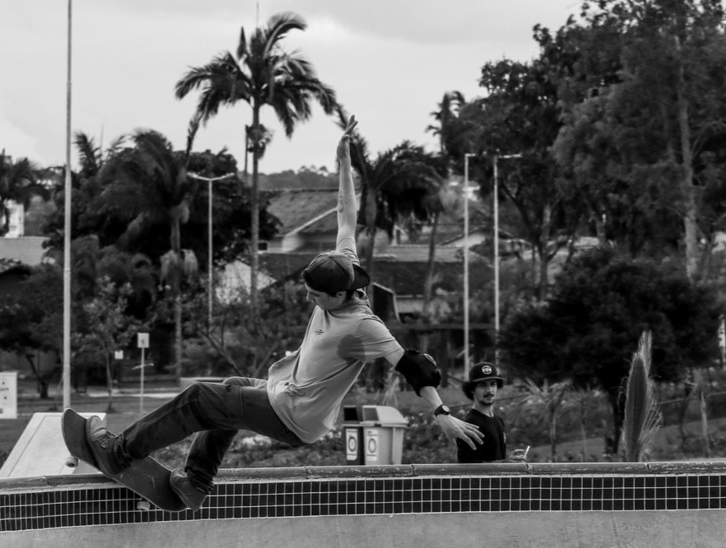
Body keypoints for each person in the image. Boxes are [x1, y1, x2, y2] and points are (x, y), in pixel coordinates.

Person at [81, 117, 484, 510]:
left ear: (342, 293)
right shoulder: (344, 261)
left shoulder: (363, 325)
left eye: (316, 297)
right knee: (232, 385)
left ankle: (118, 452)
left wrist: (442, 412)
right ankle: (196, 483)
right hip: (284, 395)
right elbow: (348, 212)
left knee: (200, 398)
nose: (310, 301)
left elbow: (414, 365)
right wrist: (344, 160)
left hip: (292, 415)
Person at [456, 362, 527, 463]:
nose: (489, 390)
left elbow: (493, 459)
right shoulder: (470, 424)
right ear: (472, 389)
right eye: (482, 385)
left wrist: (511, 460)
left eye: (493, 384)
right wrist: (505, 464)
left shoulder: (498, 420)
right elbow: (469, 469)